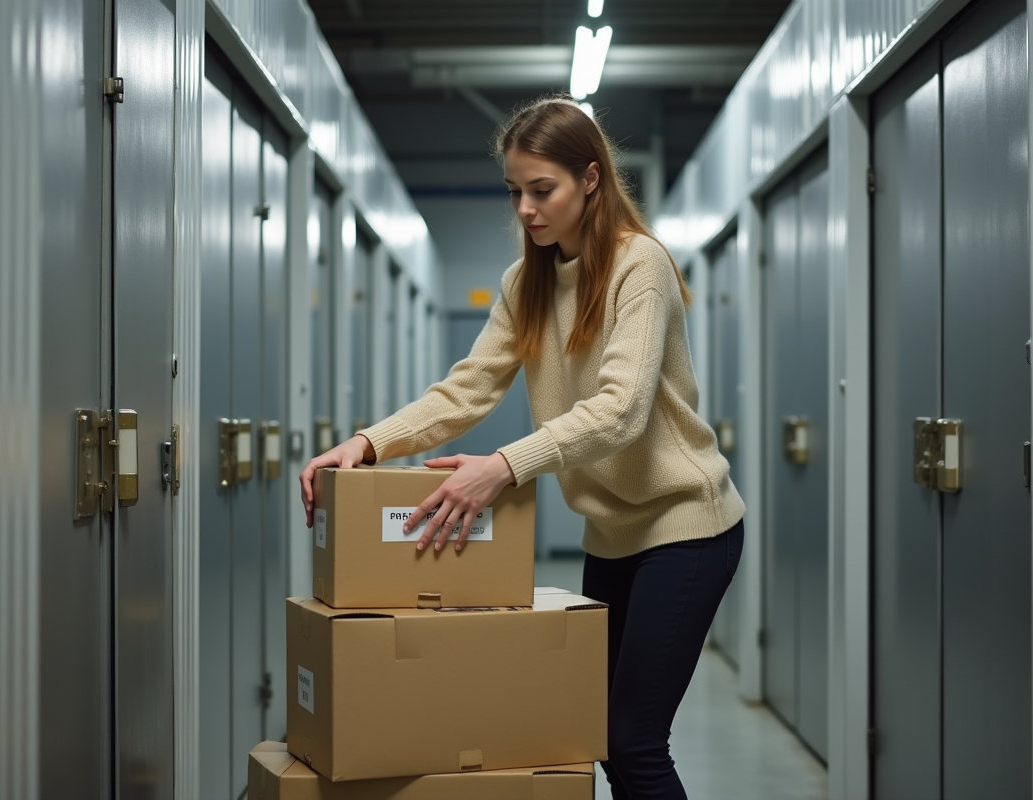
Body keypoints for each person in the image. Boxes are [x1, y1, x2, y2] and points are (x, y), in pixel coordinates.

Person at [299, 95, 746, 800]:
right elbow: (466, 391)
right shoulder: (525, 282)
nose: (526, 210)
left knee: (632, 739)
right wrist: (366, 444)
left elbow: (621, 410)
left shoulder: (641, 265)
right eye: (515, 192)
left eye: (543, 190)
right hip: (613, 534)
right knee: (595, 732)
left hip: (686, 526)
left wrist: (504, 466)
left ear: (590, 180)